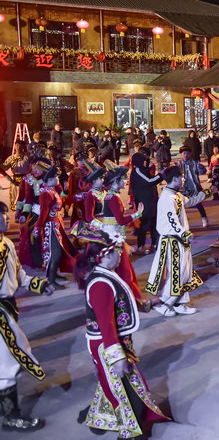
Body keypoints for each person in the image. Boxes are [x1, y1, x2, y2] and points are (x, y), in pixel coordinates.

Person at [75, 231, 171, 437]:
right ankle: (130, 432)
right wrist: (117, 357)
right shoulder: (101, 284)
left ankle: (100, 419)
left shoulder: (106, 275)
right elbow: (106, 324)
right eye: (118, 251)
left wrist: (147, 305)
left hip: (113, 341)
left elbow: (119, 303)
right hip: (108, 344)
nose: (121, 254)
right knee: (125, 389)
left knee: (114, 383)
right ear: (106, 255)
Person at [0, 201, 53, 432]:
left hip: (8, 309)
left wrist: (40, 285)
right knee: (7, 366)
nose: (6, 218)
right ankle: (11, 417)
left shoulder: (6, 243)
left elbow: (19, 274)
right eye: (1, 215)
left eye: (5, 214)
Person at [146, 166, 212, 317]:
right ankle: (164, 303)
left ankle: (179, 303)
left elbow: (190, 201)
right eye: (181, 177)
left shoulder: (175, 195)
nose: (183, 179)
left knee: (184, 272)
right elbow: (173, 221)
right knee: (178, 273)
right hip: (173, 241)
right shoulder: (167, 198)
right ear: (175, 179)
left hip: (179, 240)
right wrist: (185, 234)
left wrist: (207, 193)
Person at [93, 162, 148, 309]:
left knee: (122, 270)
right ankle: (128, 301)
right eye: (123, 178)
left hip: (113, 235)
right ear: (116, 181)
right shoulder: (114, 198)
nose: (125, 181)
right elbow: (121, 221)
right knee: (125, 271)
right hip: (115, 237)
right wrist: (137, 214)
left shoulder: (110, 196)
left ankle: (125, 300)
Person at [34, 165, 77, 288]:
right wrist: (37, 228)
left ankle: (54, 275)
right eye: (56, 177)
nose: (58, 179)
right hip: (51, 226)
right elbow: (43, 213)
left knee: (59, 252)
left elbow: (62, 201)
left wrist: (78, 196)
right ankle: (51, 281)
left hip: (57, 225)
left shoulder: (52, 191)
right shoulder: (46, 194)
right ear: (50, 179)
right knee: (55, 253)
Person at [15, 158, 50, 268]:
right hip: (36, 210)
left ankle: (51, 260)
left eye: (39, 167)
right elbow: (27, 199)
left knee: (49, 236)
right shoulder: (28, 179)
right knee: (32, 235)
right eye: (33, 166)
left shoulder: (50, 179)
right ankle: (37, 260)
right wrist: (24, 214)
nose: (35, 169)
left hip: (50, 212)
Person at [130, 149, 162, 255]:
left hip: (150, 200)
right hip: (145, 202)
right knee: (144, 224)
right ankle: (141, 246)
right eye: (143, 161)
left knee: (154, 224)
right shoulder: (138, 170)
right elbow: (149, 181)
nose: (145, 162)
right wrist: (161, 175)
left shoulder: (143, 170)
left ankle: (154, 245)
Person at [177, 145, 209, 228]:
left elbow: (202, 171)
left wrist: (201, 168)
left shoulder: (195, 163)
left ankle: (204, 218)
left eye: (187, 153)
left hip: (194, 187)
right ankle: (180, 222)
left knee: (198, 204)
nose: (186, 155)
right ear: (181, 154)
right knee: (181, 205)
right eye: (184, 153)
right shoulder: (178, 164)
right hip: (183, 188)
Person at [1, 140, 28, 211]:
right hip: (15, 180)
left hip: (25, 179)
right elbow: (5, 168)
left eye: (20, 146)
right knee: (14, 197)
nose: (18, 147)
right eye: (17, 145)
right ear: (15, 146)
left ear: (23, 147)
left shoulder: (27, 157)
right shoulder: (11, 158)